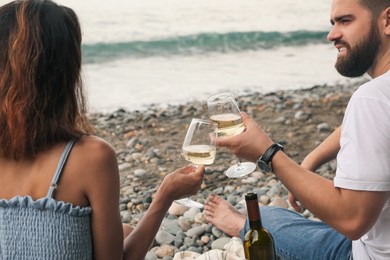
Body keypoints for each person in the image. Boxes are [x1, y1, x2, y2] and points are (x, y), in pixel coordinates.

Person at [0, 0, 204, 259]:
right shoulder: (91, 157)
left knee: (124, 230)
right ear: (65, 73)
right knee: (124, 232)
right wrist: (164, 197)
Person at [204, 0, 390, 259]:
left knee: (266, 217)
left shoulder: (371, 99)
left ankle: (239, 225)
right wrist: (310, 160)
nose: (332, 34)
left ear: (387, 21)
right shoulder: (380, 99)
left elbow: (353, 220)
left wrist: (268, 153)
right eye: (333, 23)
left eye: (345, 21)